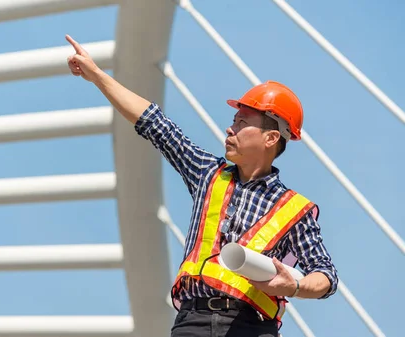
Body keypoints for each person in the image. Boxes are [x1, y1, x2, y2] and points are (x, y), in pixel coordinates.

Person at [64, 34, 338, 337]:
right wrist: (97, 76)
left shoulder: (295, 210)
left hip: (252, 327)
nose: (230, 128)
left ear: (270, 138)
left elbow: (326, 276)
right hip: (191, 322)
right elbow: (155, 125)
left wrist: (295, 285)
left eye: (242, 122)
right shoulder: (209, 174)